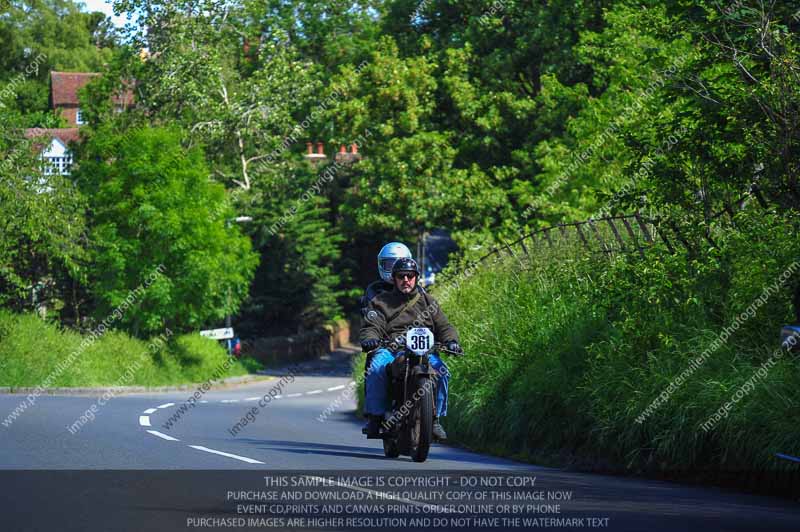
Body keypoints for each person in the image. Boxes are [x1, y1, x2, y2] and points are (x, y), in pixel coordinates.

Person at [360, 257, 462, 441]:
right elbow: (372, 326)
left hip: (425, 352)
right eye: (401, 276)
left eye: (410, 276)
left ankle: (435, 419)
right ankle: (375, 416)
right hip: (391, 350)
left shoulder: (429, 302)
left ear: (416, 277)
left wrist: (451, 341)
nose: (406, 280)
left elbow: (444, 327)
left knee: (443, 372)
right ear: (394, 278)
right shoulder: (380, 302)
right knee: (375, 368)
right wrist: (371, 339)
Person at [359, 242, 414, 318]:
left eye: (400, 265)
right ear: (381, 265)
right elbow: (370, 321)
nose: (394, 270)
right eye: (390, 265)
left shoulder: (416, 289)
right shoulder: (374, 289)